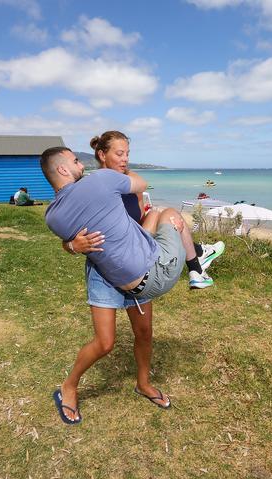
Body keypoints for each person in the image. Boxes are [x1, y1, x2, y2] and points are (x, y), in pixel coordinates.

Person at [41, 141, 223, 424]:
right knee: (105, 343)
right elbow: (138, 183)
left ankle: (143, 383)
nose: (125, 159)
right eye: (119, 154)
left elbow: (135, 224)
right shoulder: (102, 180)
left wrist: (73, 245)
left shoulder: (56, 212)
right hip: (107, 271)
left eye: (127, 154)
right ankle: (69, 386)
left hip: (134, 255)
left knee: (144, 332)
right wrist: (74, 245)